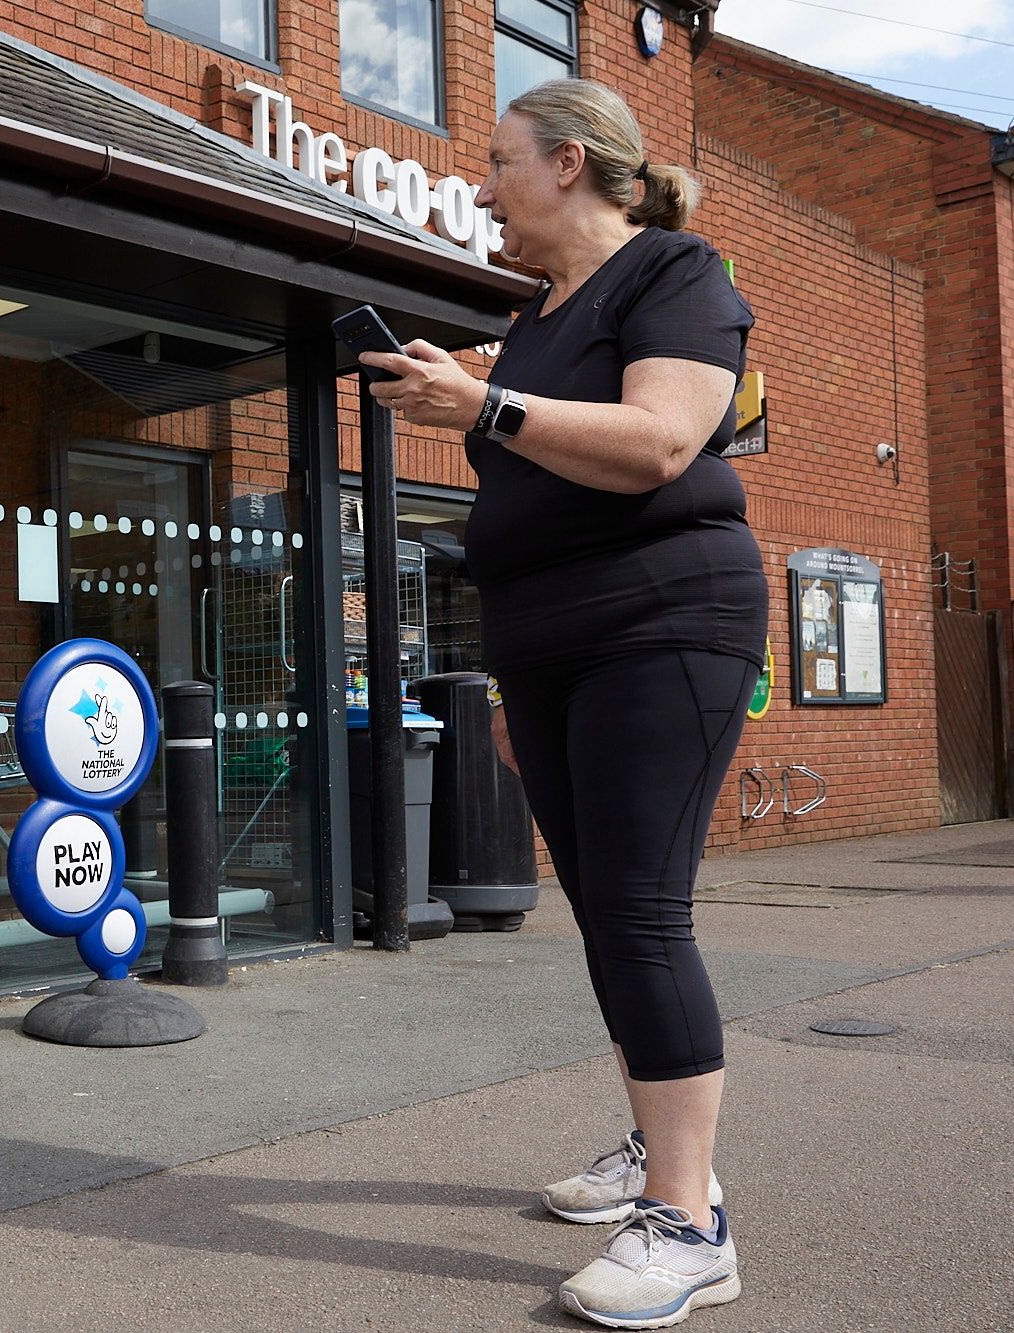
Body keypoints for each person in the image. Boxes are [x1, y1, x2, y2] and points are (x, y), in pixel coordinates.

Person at [359, 79, 764, 1329]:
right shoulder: (534, 315)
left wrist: (479, 405)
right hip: (547, 648)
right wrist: (507, 682)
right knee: (601, 916)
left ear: (573, 164)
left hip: (664, 625)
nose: (479, 187)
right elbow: (531, 489)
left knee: (641, 914)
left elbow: (655, 443)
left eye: (496, 163)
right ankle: (655, 1152)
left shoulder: (673, 274)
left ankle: (690, 1225)